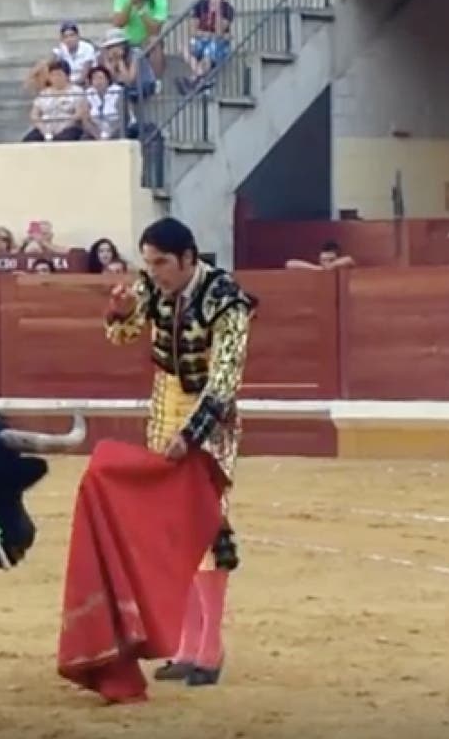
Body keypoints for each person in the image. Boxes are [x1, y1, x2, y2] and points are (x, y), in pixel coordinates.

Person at [104, 217, 257, 687]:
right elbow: (122, 338)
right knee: (172, 530)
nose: (154, 273)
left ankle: (210, 650)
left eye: (162, 264)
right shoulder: (150, 286)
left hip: (209, 420)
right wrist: (123, 312)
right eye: (148, 264)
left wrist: (191, 435)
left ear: (189, 258)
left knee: (208, 526)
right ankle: (187, 646)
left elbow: (225, 380)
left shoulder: (226, 299)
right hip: (163, 407)